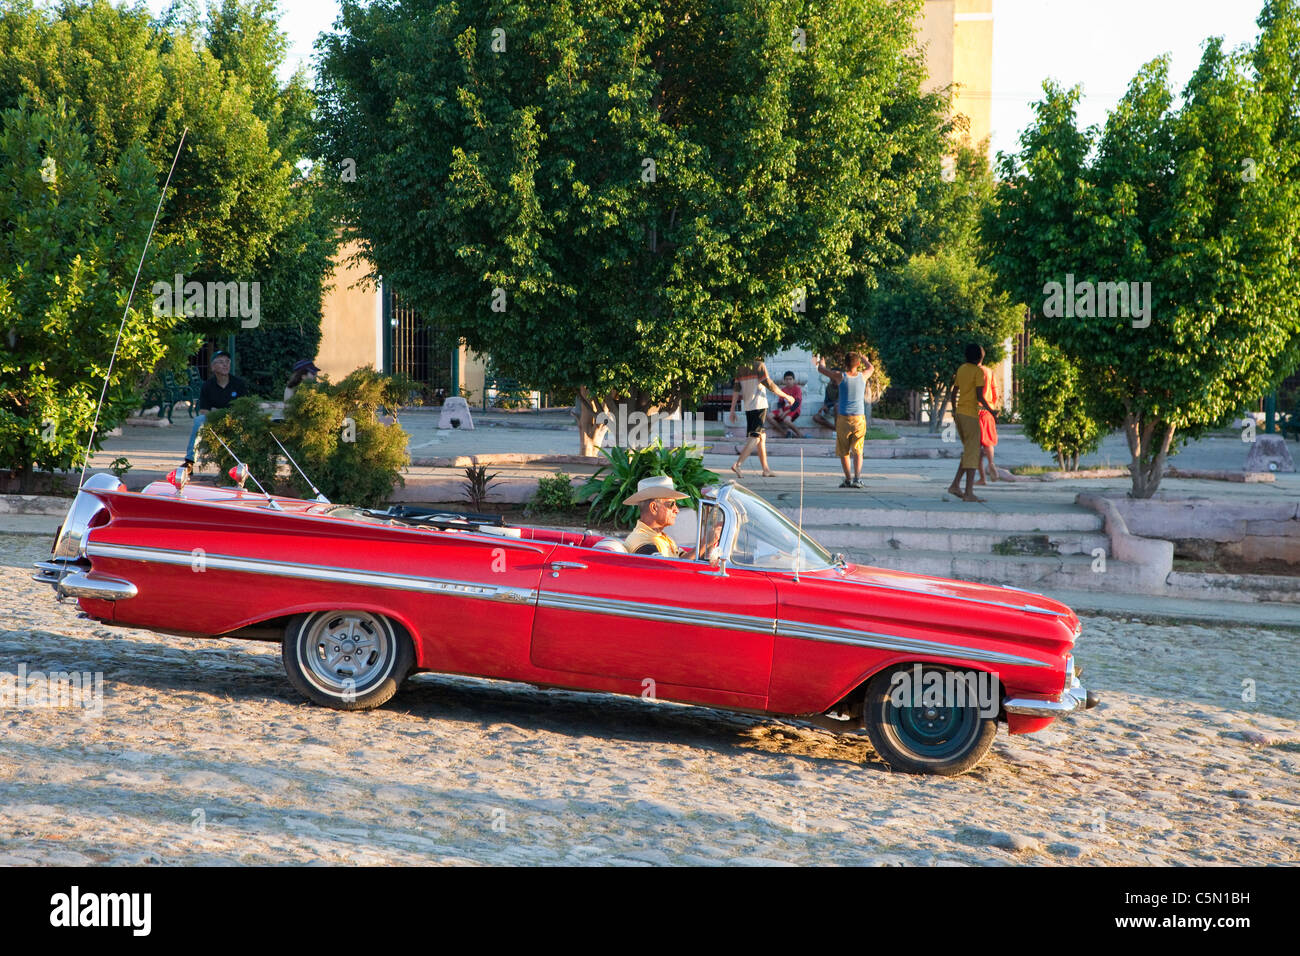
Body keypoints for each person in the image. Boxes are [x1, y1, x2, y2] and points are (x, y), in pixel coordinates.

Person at [946, 343, 998, 503]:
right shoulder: (978, 372)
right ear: (980, 357)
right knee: (973, 453)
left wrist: (954, 410)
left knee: (970, 451)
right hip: (970, 415)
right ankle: (969, 492)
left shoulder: (962, 369)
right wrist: (992, 411)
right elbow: (980, 396)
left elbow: (954, 392)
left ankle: (955, 485)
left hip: (960, 414)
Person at [182, 350, 250, 471]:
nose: (225, 365)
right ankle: (189, 461)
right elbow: (204, 411)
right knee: (199, 420)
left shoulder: (239, 384)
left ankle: (243, 461)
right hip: (214, 419)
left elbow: (243, 408)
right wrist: (219, 413)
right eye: (221, 362)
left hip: (235, 418)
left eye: (227, 362)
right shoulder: (207, 386)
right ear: (213, 367)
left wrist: (218, 411)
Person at [728, 359, 794, 478]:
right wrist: (787, 396)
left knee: (761, 437)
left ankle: (766, 470)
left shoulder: (741, 366)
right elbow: (770, 385)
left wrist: (732, 410)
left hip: (748, 406)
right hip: (759, 405)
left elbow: (736, 390)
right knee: (756, 436)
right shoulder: (759, 365)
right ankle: (738, 464)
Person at [814, 352, 871, 488]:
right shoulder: (863, 376)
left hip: (843, 418)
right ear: (858, 364)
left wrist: (821, 362)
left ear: (844, 364)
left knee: (844, 450)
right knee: (858, 450)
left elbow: (821, 370)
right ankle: (857, 479)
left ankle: (848, 479)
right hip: (859, 419)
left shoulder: (840, 376)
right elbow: (871, 368)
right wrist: (864, 359)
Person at [622, 476, 690, 556]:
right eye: (671, 504)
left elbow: (684, 558)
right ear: (654, 508)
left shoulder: (662, 537)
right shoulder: (642, 540)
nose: (676, 510)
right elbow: (665, 567)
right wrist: (703, 544)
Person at [976, 361, 1000, 485]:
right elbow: (996, 394)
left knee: (976, 447)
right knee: (988, 442)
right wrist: (992, 408)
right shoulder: (990, 372)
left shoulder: (972, 372)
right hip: (988, 412)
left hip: (975, 411)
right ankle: (991, 463)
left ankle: (982, 478)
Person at [766, 371, 804, 438]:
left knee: (786, 420)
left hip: (794, 410)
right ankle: (784, 432)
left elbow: (797, 403)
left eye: (790, 379)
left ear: (793, 380)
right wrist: (780, 411)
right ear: (784, 381)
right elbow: (780, 402)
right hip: (784, 410)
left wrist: (785, 413)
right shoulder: (783, 390)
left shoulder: (797, 389)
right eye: (787, 379)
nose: (788, 381)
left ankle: (799, 434)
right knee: (769, 416)